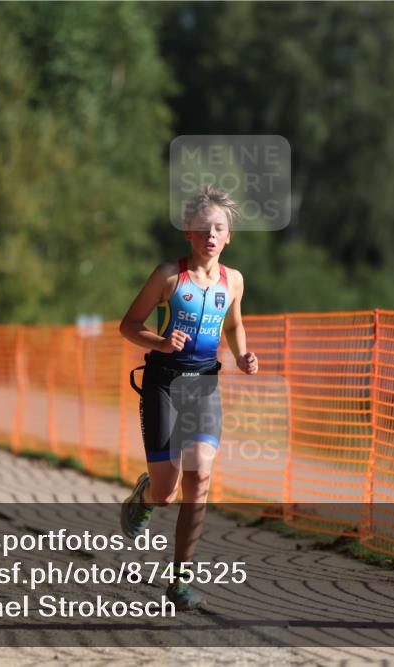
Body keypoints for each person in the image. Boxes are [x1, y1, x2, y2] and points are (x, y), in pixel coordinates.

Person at [118, 185, 258, 611]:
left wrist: (242, 355)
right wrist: (160, 344)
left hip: (203, 386)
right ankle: (143, 497)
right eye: (202, 229)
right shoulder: (167, 276)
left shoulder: (232, 280)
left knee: (199, 480)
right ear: (188, 233)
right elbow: (129, 325)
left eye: (219, 229)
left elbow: (233, 326)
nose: (210, 236)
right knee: (167, 491)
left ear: (229, 236)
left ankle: (180, 580)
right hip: (163, 384)